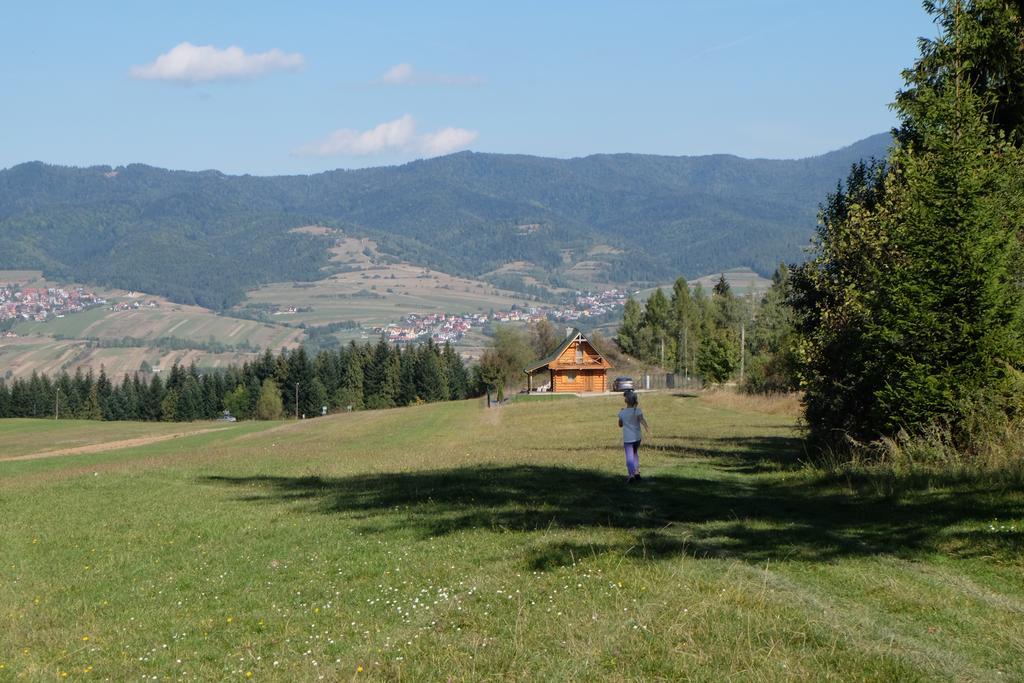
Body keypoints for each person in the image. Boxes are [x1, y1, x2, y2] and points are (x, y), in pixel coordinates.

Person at [617, 389, 649, 482]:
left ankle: (631, 475)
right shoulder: (638, 411)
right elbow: (642, 420)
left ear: (625, 401)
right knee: (635, 454)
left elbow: (620, 425)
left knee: (629, 457)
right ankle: (637, 472)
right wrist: (647, 429)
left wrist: (620, 417)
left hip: (628, 439)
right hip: (637, 438)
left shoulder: (622, 412)